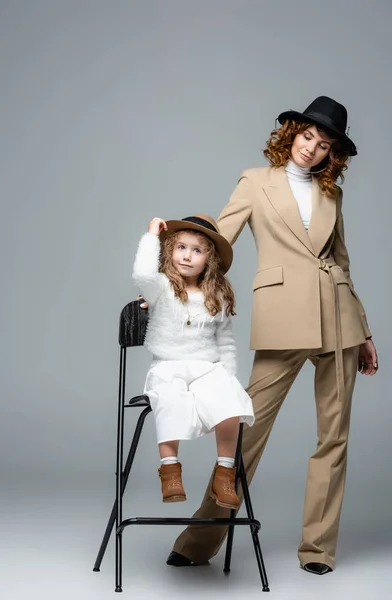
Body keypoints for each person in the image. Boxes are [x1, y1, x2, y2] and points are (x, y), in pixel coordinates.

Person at [157, 96, 379, 575]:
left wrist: (364, 330)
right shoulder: (255, 182)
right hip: (284, 318)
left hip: (340, 320)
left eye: (323, 145)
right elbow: (219, 239)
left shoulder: (331, 194)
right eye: (306, 137)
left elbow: (342, 263)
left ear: (331, 154)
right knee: (244, 431)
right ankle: (200, 540)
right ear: (291, 135)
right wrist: (169, 287)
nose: (312, 149)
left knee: (333, 438)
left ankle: (318, 550)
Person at [132, 214, 255, 507]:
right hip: (167, 364)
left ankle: (225, 473)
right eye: (181, 248)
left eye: (197, 250)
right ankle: (170, 471)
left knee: (229, 401)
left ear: (209, 260)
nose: (187, 256)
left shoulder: (217, 295)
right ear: (170, 252)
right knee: (169, 398)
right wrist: (151, 235)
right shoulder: (161, 287)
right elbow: (142, 275)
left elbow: (225, 341)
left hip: (206, 367)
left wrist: (229, 376)